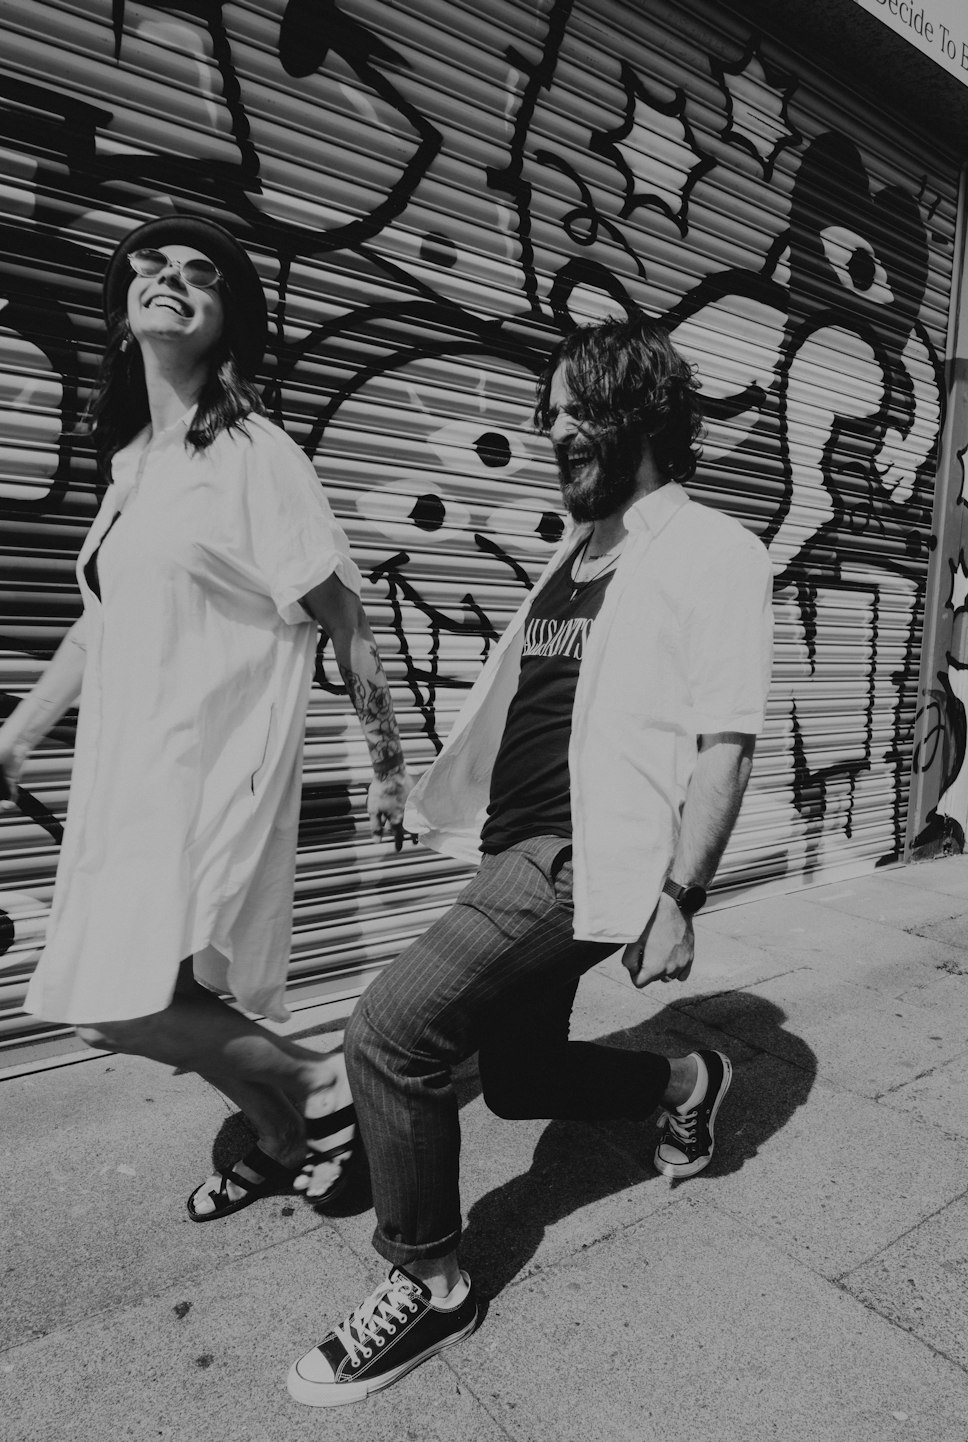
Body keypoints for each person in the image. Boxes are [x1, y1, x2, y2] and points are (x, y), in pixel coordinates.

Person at [285, 314, 775, 1406]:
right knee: (514, 1080)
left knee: (394, 1029)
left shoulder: (712, 550)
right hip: (518, 845)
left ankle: (430, 1275)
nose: (548, 426)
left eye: (569, 406)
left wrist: (681, 894)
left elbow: (726, 738)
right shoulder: (577, 551)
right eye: (545, 410)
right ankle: (689, 1076)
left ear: (636, 408)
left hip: (579, 858)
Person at [0, 215, 410, 1221]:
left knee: (114, 1004)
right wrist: (14, 734)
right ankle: (276, 1137)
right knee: (165, 990)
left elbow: (341, 612)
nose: (174, 278)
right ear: (123, 310)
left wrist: (389, 759)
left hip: (201, 767)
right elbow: (97, 630)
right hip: (126, 775)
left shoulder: (252, 451)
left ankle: (318, 1086)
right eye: (157, 267)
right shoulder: (134, 466)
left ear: (228, 323)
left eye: (203, 275)